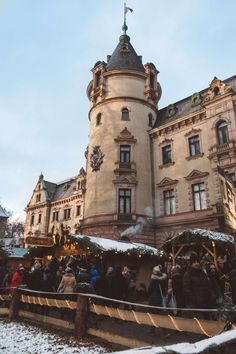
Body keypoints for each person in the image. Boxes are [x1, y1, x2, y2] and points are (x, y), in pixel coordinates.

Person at [183, 252, 213, 319]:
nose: (196, 264)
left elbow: (208, 284)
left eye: (197, 262)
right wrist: (194, 300)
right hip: (197, 305)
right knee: (201, 323)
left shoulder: (202, 272)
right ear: (191, 263)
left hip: (207, 302)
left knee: (209, 323)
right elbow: (187, 290)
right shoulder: (188, 274)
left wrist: (211, 295)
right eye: (194, 262)